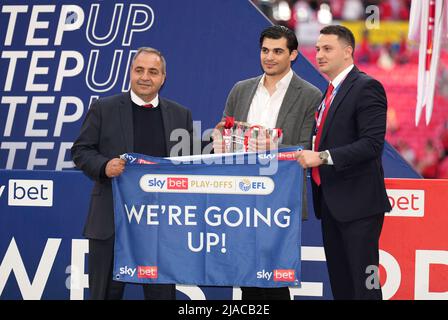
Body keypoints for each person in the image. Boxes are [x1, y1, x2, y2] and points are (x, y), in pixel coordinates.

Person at [71, 47, 193, 300]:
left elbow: (188, 162)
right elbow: (81, 151)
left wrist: (214, 143)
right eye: (139, 70)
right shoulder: (104, 108)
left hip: (160, 225)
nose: (145, 77)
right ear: (130, 73)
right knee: (105, 294)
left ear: (163, 77)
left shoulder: (181, 115)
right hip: (111, 222)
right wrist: (104, 166)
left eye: (152, 71)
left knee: (162, 295)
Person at [213, 25, 322, 300]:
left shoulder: (311, 95)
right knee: (246, 274)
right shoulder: (241, 90)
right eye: (264, 50)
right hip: (240, 196)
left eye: (277, 51)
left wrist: (275, 147)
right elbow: (225, 131)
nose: (269, 57)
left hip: (280, 199)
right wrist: (218, 139)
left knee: (275, 277)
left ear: (293, 54)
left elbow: (310, 149)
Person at [296, 25, 392, 300]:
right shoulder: (328, 94)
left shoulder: (367, 87)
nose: (319, 55)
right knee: (342, 286)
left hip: (358, 206)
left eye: (328, 49)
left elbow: (372, 145)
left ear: (348, 51)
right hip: (331, 203)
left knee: (364, 288)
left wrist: (323, 157)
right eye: (317, 49)